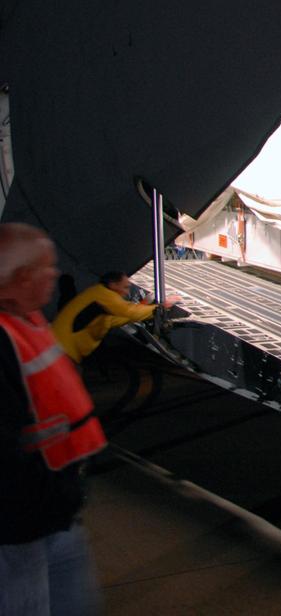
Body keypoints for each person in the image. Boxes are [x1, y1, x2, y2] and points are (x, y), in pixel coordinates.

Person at [0, 223, 107, 615]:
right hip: (19, 526)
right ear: (21, 277)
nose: (54, 275)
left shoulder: (26, 319)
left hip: (53, 512)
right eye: (47, 268)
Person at [51, 272, 181, 364]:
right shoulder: (104, 295)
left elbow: (116, 319)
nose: (127, 292)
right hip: (64, 351)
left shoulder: (99, 296)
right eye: (124, 287)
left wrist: (145, 305)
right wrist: (162, 307)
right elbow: (129, 312)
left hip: (64, 348)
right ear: (113, 285)